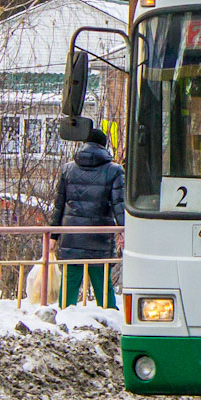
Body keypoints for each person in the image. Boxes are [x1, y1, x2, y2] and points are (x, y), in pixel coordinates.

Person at [49, 127, 124, 309]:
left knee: (70, 283)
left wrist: (53, 236)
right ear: (104, 146)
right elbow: (119, 205)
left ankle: (65, 319)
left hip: (72, 234)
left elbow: (59, 205)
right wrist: (123, 231)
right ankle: (108, 318)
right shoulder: (114, 171)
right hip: (99, 235)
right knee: (102, 283)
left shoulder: (67, 169)